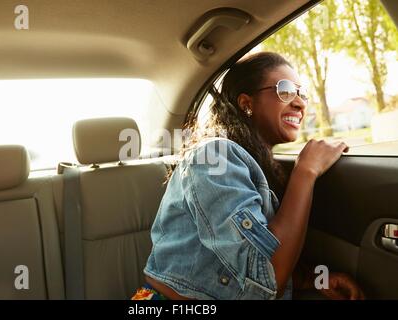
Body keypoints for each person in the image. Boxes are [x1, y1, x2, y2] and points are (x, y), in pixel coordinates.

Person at [132, 52, 365, 300]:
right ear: (247, 104)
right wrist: (305, 171)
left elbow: (242, 271)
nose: (299, 103)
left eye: (301, 93)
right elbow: (267, 276)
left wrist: (315, 279)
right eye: (285, 90)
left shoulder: (255, 164)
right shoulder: (213, 156)